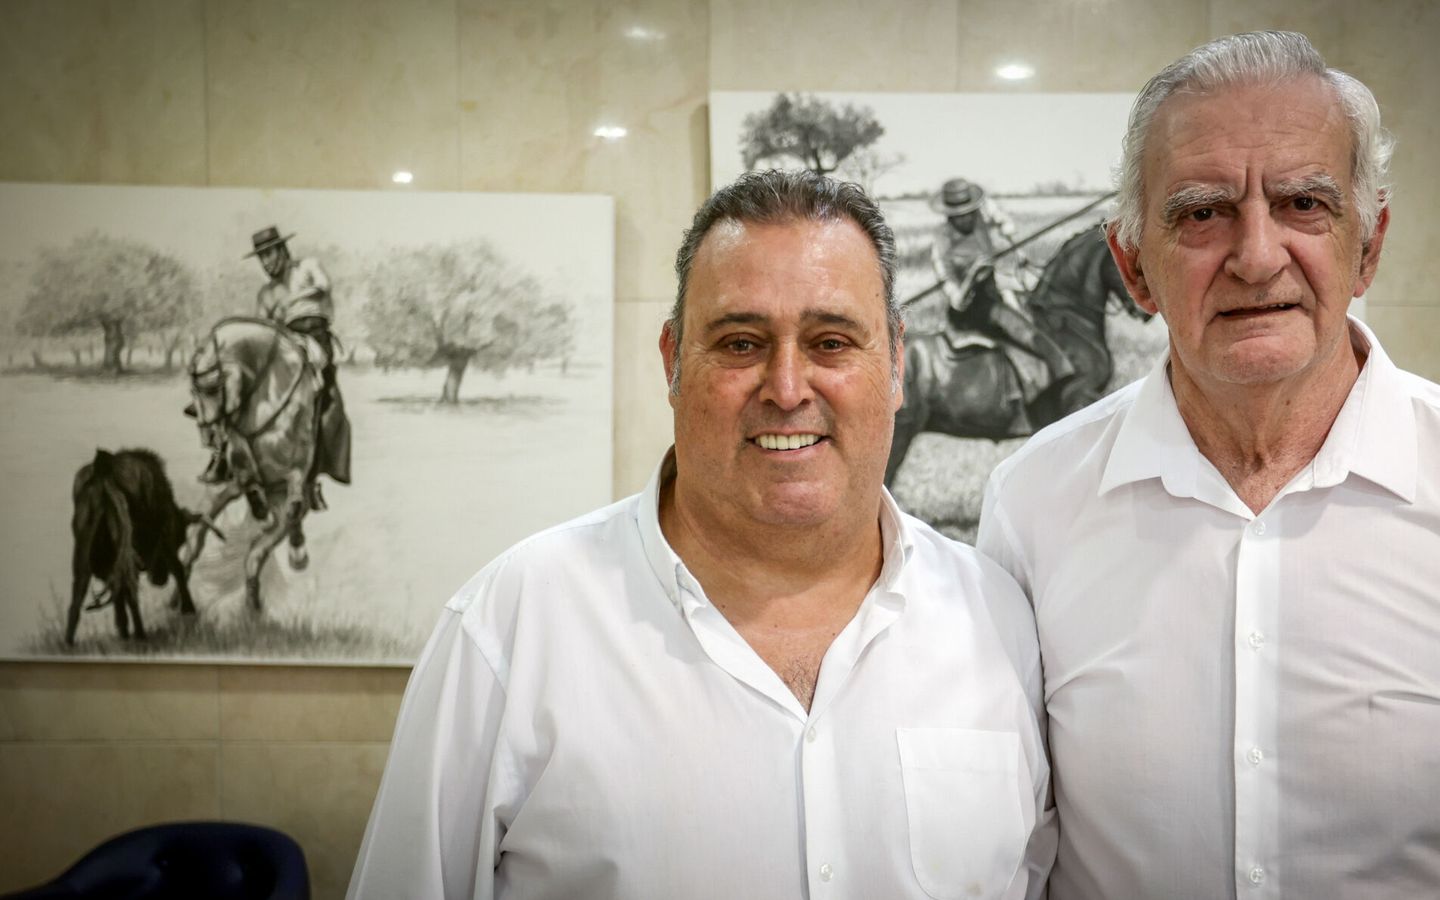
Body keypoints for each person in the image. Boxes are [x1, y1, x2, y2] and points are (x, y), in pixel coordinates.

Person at [978, 30, 1440, 899]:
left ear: (1370, 245)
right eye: (1201, 212)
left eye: (1305, 204)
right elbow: (1017, 845)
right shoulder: (1032, 504)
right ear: (1133, 269)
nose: (1258, 255)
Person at [350, 169, 1055, 899]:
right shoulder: (511, 625)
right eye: (742, 343)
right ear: (673, 362)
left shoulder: (997, 624)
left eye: (832, 342)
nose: (787, 389)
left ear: (898, 364)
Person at [212, 226, 351, 509]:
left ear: (283, 250)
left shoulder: (308, 268)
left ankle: (310, 478)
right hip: (283, 344)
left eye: (269, 254)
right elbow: (264, 327)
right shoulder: (265, 293)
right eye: (261, 257)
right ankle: (224, 453)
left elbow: (323, 286)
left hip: (313, 338)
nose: (266, 262)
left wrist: (291, 301)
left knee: (317, 395)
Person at [929, 178, 1072, 384]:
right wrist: (972, 276)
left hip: (994, 292)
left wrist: (1014, 243)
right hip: (970, 311)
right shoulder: (941, 241)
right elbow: (956, 300)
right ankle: (1065, 377)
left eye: (970, 211)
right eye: (960, 216)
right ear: (948, 215)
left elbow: (1002, 220)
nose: (968, 218)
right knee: (1028, 334)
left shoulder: (980, 215)